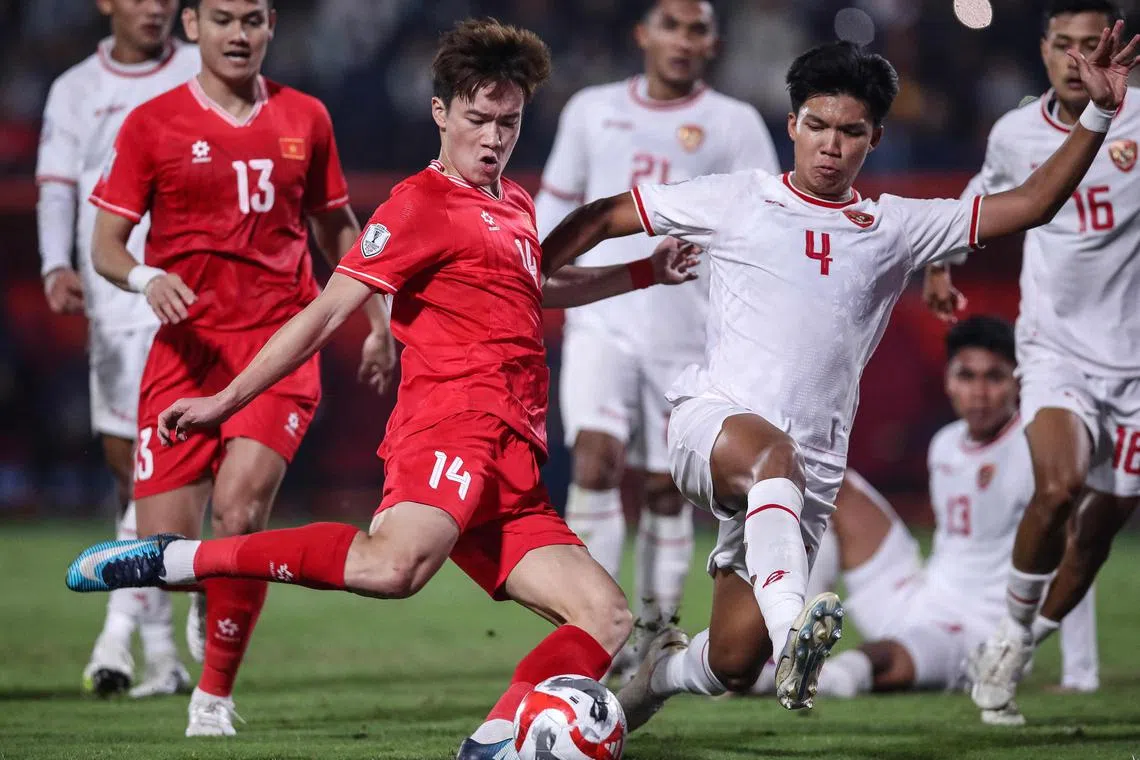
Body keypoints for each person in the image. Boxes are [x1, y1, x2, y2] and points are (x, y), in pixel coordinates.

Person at [64, 18, 701, 759]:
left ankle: (493, 745)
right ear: (440, 113)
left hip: (514, 463)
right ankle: (178, 559)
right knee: (393, 568)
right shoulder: (417, 206)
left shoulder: (516, 206)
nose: (493, 138)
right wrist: (223, 402)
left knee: (605, 617)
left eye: (509, 121)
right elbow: (321, 312)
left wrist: (644, 271)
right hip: (450, 428)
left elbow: (536, 288)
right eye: (477, 119)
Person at [530, 28, 1138, 734]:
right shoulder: (736, 198)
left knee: (731, 662)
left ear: (874, 138)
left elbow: (1032, 204)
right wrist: (531, 272)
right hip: (713, 425)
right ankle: (797, 636)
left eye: (850, 132)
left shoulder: (896, 227)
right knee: (770, 462)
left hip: (805, 480)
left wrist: (1096, 115)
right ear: (791, 125)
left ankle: (654, 678)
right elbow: (608, 214)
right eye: (816, 125)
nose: (830, 144)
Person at [83, 0, 396, 736]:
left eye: (253, 19)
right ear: (191, 26)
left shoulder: (306, 117)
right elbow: (106, 244)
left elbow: (336, 226)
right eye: (223, 18)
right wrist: (143, 279)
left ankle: (213, 699)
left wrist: (377, 321)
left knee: (243, 512)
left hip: (278, 348)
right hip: (186, 353)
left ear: (271, 26)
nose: (238, 33)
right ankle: (205, 581)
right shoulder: (152, 124)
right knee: (161, 552)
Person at [535, 0, 779, 681]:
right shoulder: (591, 110)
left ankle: (655, 632)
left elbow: (764, 226)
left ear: (713, 42)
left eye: (696, 28)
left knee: (668, 489)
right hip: (604, 321)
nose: (682, 38)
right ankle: (590, 627)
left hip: (690, 331)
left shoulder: (735, 124)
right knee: (595, 462)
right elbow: (557, 214)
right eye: (670, 24)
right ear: (643, 34)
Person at [921, 1, 1139, 719]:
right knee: (1057, 488)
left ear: (1115, 47)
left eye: (1092, 44)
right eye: (1065, 45)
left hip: (1134, 361)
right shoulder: (1017, 132)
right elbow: (983, 196)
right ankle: (1011, 639)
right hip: (1054, 347)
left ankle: (1020, 639)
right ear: (1045, 51)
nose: (1079, 59)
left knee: (1099, 531)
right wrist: (943, 261)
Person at [796, 317, 1099, 724]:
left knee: (880, 657)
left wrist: (1079, 673)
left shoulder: (1035, 449)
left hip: (979, 631)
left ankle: (810, 677)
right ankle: (787, 643)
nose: (980, 392)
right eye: (967, 376)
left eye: (994, 377)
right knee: (826, 483)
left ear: (1018, 382)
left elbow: (1076, 553)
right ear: (949, 381)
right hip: (921, 596)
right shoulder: (945, 445)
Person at [36, 0, 199, 698]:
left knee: (164, 472)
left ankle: (119, 638)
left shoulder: (200, 70)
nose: (154, 7)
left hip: (186, 292)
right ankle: (160, 651)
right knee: (131, 477)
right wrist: (53, 263)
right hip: (112, 293)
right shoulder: (76, 89)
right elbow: (55, 187)